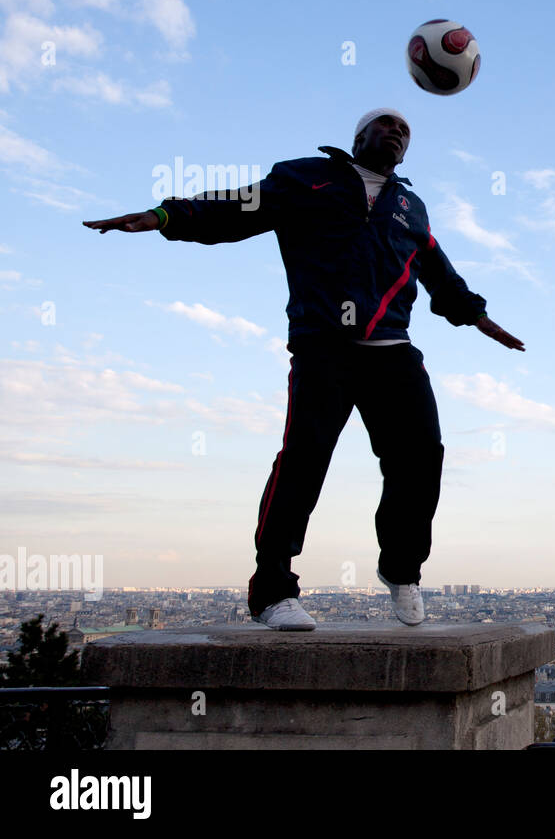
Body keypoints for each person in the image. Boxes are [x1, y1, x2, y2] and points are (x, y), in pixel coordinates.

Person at [82, 108, 524, 631]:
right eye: (385, 124)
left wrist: (474, 313)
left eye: (404, 130)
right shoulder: (303, 178)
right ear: (358, 136)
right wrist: (166, 217)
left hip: (392, 348)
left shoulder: (411, 206)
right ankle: (272, 589)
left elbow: (436, 268)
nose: (396, 132)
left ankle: (401, 569)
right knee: (304, 459)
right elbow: (234, 207)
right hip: (324, 346)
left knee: (421, 456)